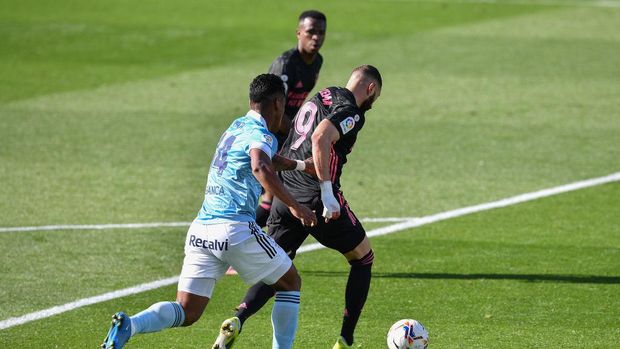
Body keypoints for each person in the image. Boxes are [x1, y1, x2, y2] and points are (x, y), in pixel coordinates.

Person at [100, 74, 318, 349]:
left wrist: (300, 166)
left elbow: (266, 160)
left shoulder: (236, 127)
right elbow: (261, 167)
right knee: (290, 282)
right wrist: (295, 206)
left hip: (201, 231)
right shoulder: (261, 134)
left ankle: (130, 325)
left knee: (187, 310)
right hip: (234, 229)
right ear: (277, 103)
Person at [229, 65, 383, 349]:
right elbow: (320, 137)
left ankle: (238, 318)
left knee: (278, 266)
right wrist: (327, 191)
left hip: (284, 194)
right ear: (370, 89)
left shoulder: (322, 96)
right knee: (363, 258)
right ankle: (345, 339)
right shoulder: (352, 111)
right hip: (315, 199)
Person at [255, 9, 327, 228]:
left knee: (273, 193)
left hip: (288, 133)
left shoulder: (316, 61)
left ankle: (247, 244)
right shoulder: (285, 65)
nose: (316, 37)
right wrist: (298, 135)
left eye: (321, 32)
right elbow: (271, 109)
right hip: (271, 133)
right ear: (299, 33)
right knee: (266, 191)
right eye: (311, 32)